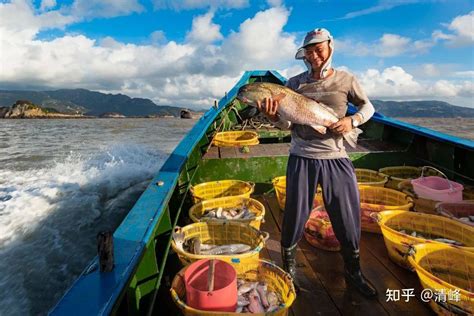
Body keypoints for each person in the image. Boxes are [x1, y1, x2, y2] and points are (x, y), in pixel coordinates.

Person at [257, 28, 378, 298]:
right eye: (309, 51)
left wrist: (351, 121)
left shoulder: (347, 79)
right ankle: (289, 268)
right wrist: (271, 116)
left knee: (346, 214)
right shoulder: (293, 83)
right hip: (302, 155)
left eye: (318, 49)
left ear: (330, 47)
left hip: (336, 157)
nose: (314, 56)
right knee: (295, 215)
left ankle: (353, 271)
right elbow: (287, 124)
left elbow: (367, 107)